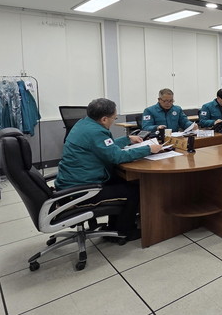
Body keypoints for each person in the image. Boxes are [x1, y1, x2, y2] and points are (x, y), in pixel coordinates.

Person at [55, 98, 163, 240]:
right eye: (114, 118)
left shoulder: (84, 123)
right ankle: (124, 231)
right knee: (133, 190)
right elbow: (117, 157)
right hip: (81, 191)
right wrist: (148, 149)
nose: (113, 121)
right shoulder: (96, 132)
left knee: (121, 180)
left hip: (72, 183)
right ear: (104, 119)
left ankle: (115, 226)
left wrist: (127, 139)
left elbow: (104, 146)